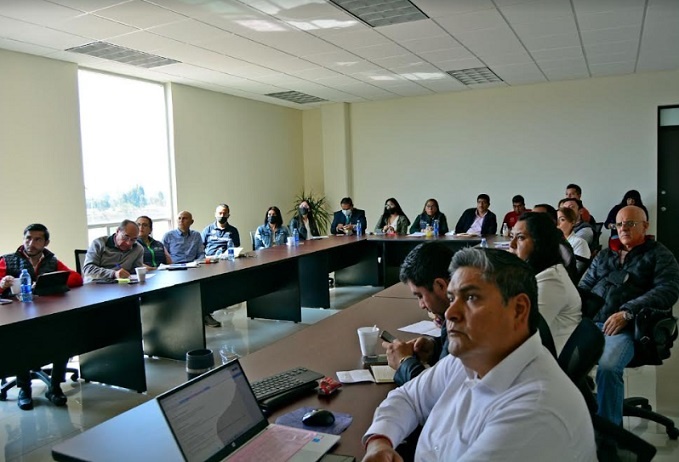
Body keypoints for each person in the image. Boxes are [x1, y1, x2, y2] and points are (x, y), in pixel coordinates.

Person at [362, 248, 596, 461]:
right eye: (452, 298)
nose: (450, 313)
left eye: (471, 298)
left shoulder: (536, 411)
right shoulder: (471, 356)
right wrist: (379, 441)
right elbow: (409, 398)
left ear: (518, 309)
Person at [579, 206, 679, 429]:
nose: (623, 228)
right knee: (557, 358)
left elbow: (668, 289)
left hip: (630, 327)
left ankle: (609, 434)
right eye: (619, 224)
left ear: (645, 226)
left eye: (630, 223)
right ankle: (579, 424)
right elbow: (584, 286)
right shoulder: (605, 255)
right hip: (592, 323)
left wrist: (628, 312)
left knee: (608, 367)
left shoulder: (659, 254)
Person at [0, 224, 83, 410]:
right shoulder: (8, 260)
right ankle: (24, 389)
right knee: (20, 343)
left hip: (46, 313)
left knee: (64, 339)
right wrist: (2, 284)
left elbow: (76, 278)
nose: (31, 243)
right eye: (28, 238)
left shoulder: (51, 260)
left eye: (38, 239)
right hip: (17, 317)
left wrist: (49, 281)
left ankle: (55, 387)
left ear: (46, 242)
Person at [509, 212, 582, 353]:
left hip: (546, 356)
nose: (512, 245)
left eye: (520, 238)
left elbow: (520, 332)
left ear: (540, 243)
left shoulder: (552, 280)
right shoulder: (535, 272)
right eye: (512, 237)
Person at [384, 243, 454, 386]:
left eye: (420, 296)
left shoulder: (463, 320)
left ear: (441, 285)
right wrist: (435, 348)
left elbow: (436, 391)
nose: (421, 305)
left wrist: (404, 362)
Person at [557, 207, 591, 272]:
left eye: (562, 220)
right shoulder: (551, 242)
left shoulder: (580, 242)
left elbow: (577, 270)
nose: (557, 224)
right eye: (555, 220)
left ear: (572, 222)